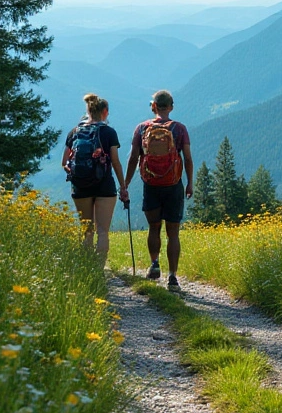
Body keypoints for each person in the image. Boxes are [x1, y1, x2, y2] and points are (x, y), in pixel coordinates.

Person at [123, 90, 194, 293]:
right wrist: (189, 183)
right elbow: (188, 158)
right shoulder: (179, 129)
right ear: (171, 106)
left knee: (154, 228)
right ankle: (172, 277)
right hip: (173, 185)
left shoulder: (142, 129)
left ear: (153, 106)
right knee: (173, 233)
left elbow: (133, 158)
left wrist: (125, 183)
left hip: (151, 185)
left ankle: (154, 264)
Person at [62, 94, 126, 266]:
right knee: (103, 231)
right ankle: (99, 269)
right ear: (105, 112)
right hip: (105, 186)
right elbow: (115, 161)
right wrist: (123, 186)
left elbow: (64, 163)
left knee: (87, 231)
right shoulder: (109, 132)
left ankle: (86, 267)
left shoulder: (74, 132)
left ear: (88, 110)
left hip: (80, 187)